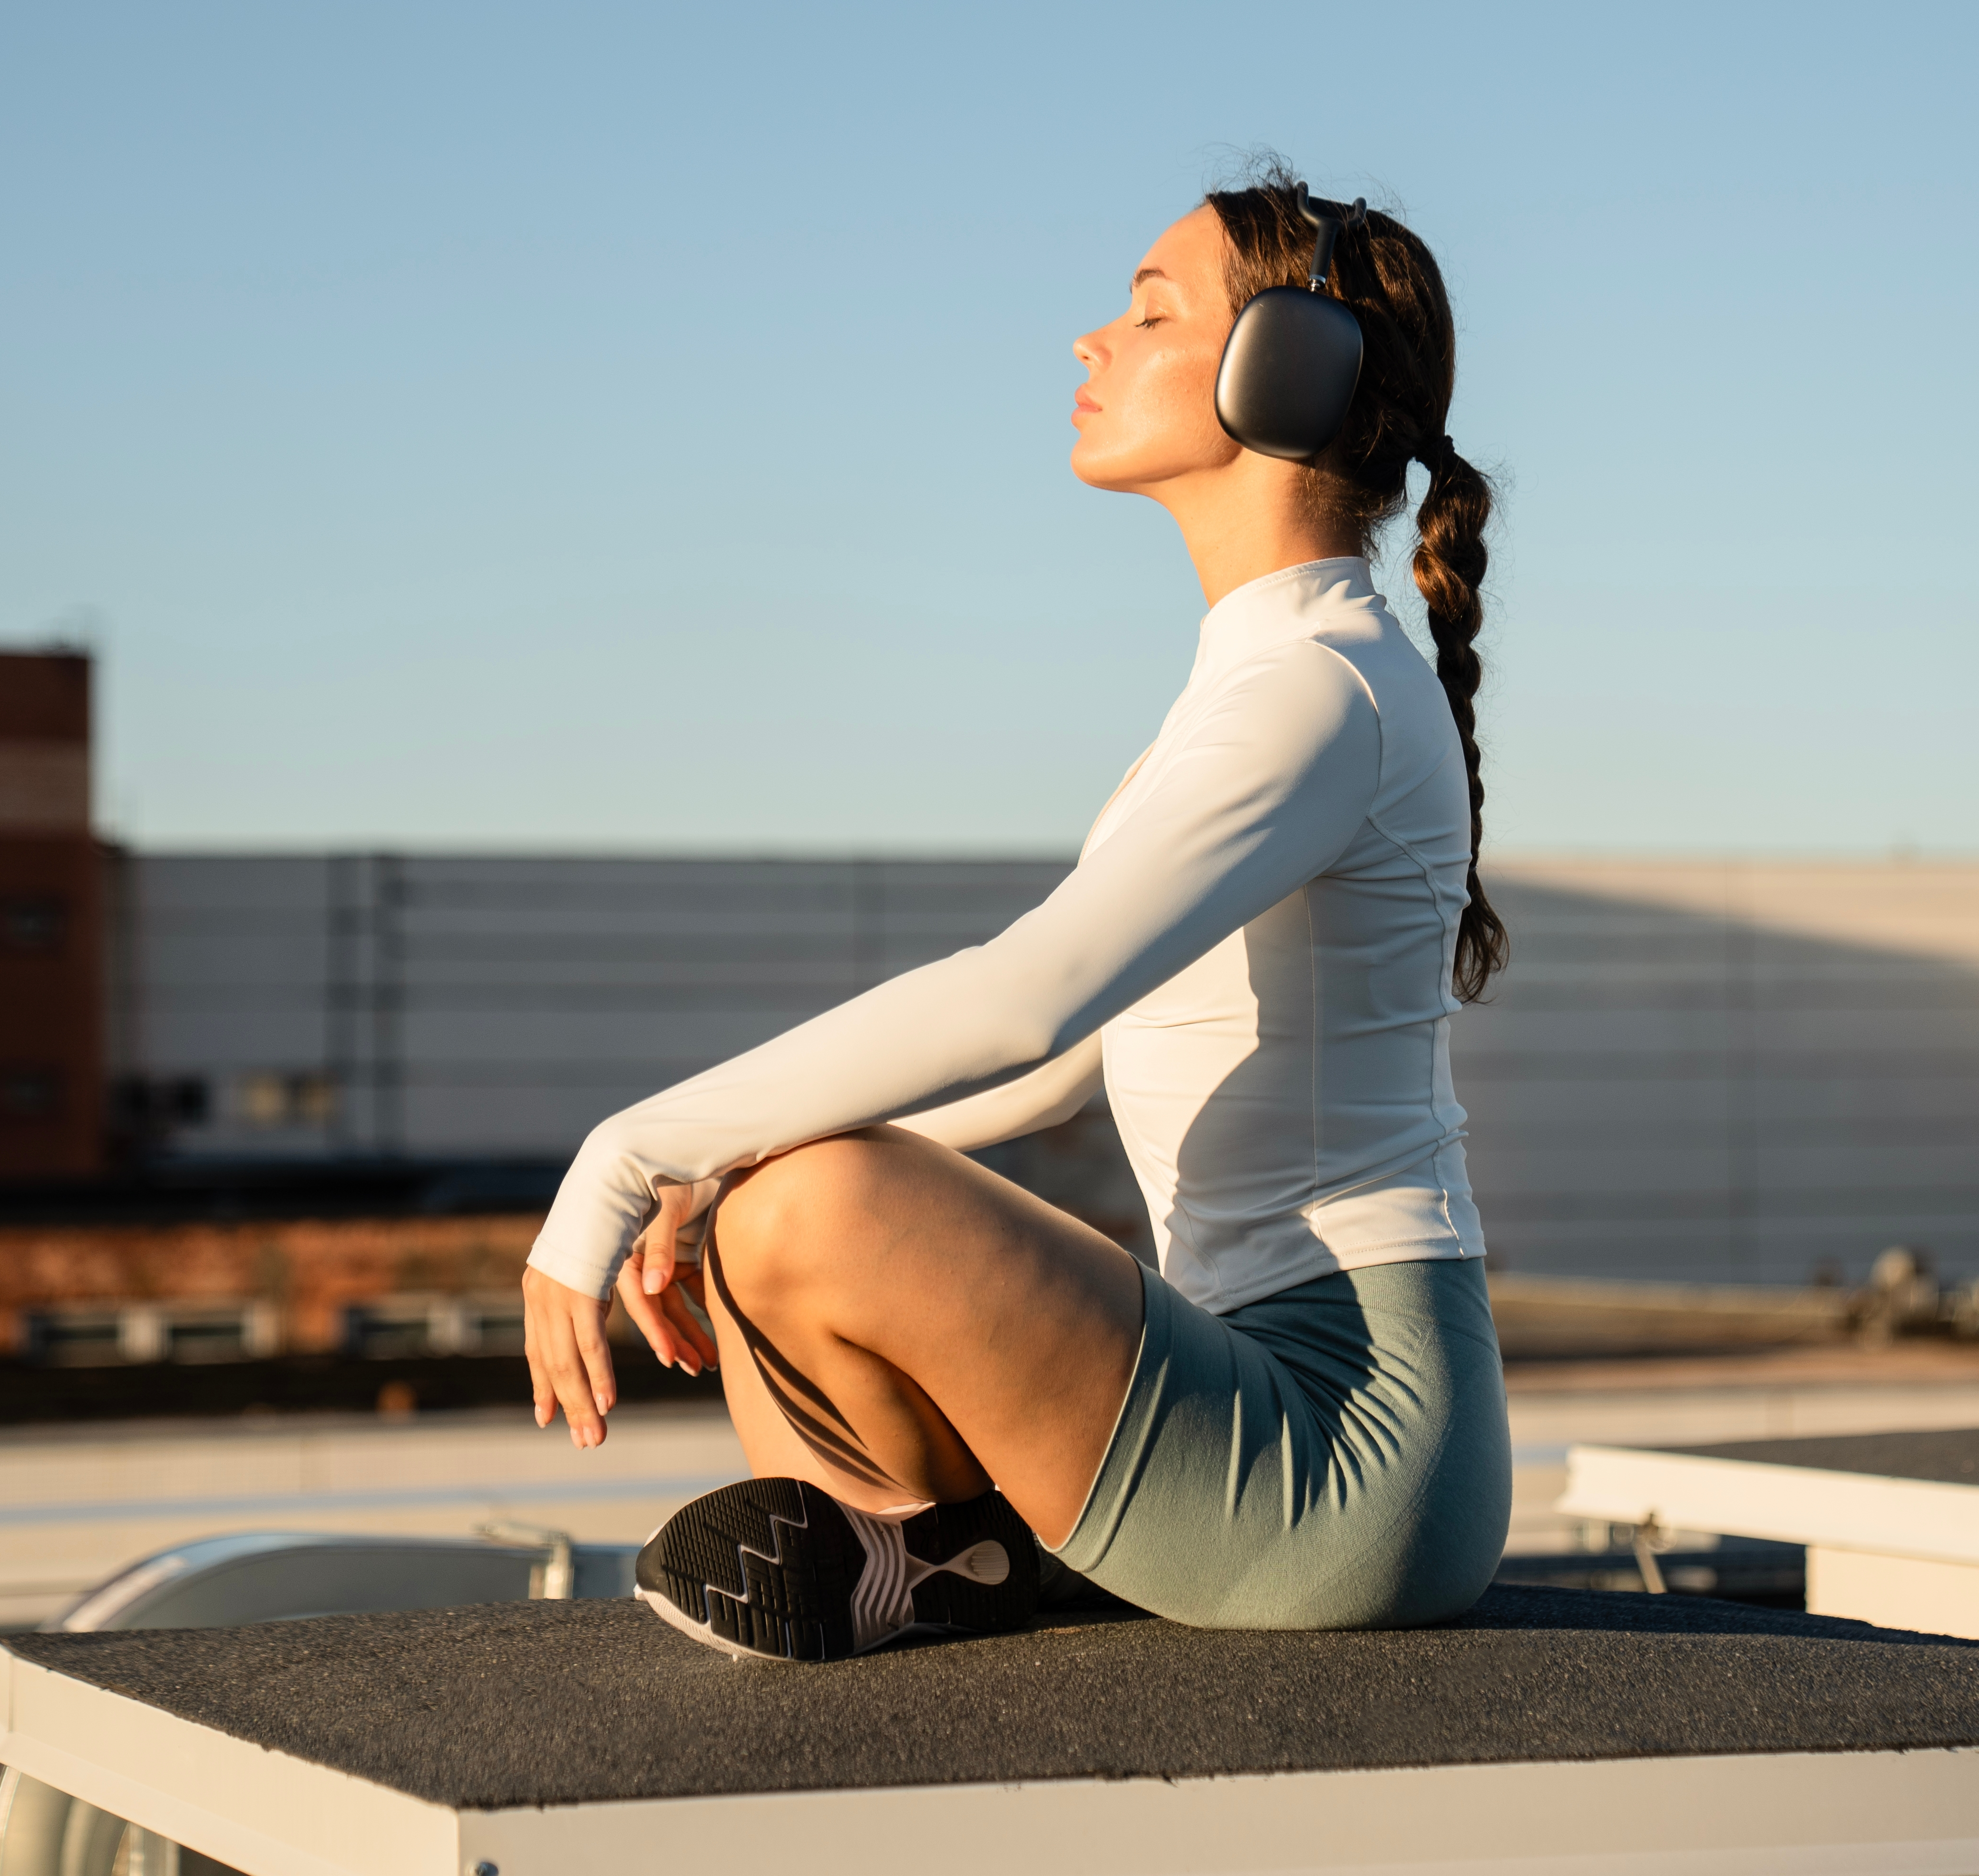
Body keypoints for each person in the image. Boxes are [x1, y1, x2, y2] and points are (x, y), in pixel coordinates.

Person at [518, 167, 1513, 1663]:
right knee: (778, 1199)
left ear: (1286, 368)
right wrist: (728, 1160)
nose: (1088, 345)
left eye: (1148, 309)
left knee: (806, 1205)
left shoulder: (1318, 689)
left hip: (1350, 1441)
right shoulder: (1267, 686)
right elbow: (1068, 1065)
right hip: (1255, 1375)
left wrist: (631, 1155)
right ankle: (940, 1568)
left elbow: (1019, 1002)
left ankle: (923, 1567)